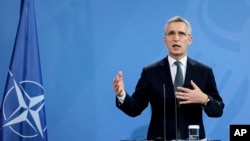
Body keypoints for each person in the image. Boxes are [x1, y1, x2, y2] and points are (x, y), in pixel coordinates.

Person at [113, 16, 224, 140]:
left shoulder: (204, 72)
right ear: (165, 40)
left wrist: (204, 99)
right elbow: (135, 109)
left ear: (190, 39)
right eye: (171, 34)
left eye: (181, 34)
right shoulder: (150, 72)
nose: (176, 38)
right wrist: (121, 95)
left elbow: (218, 110)